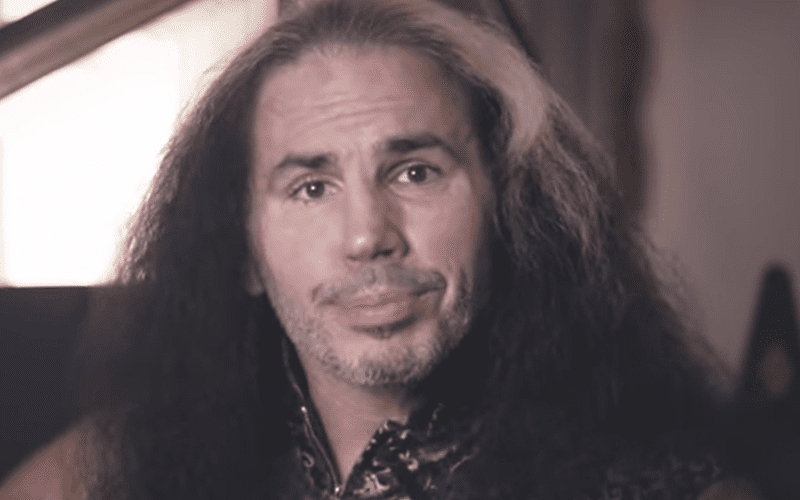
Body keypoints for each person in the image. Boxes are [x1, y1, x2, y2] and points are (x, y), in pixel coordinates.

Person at [0, 0, 764, 498]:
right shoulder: (122, 464)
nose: (368, 235)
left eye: (415, 172)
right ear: (242, 251)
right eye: (311, 187)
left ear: (509, 211)